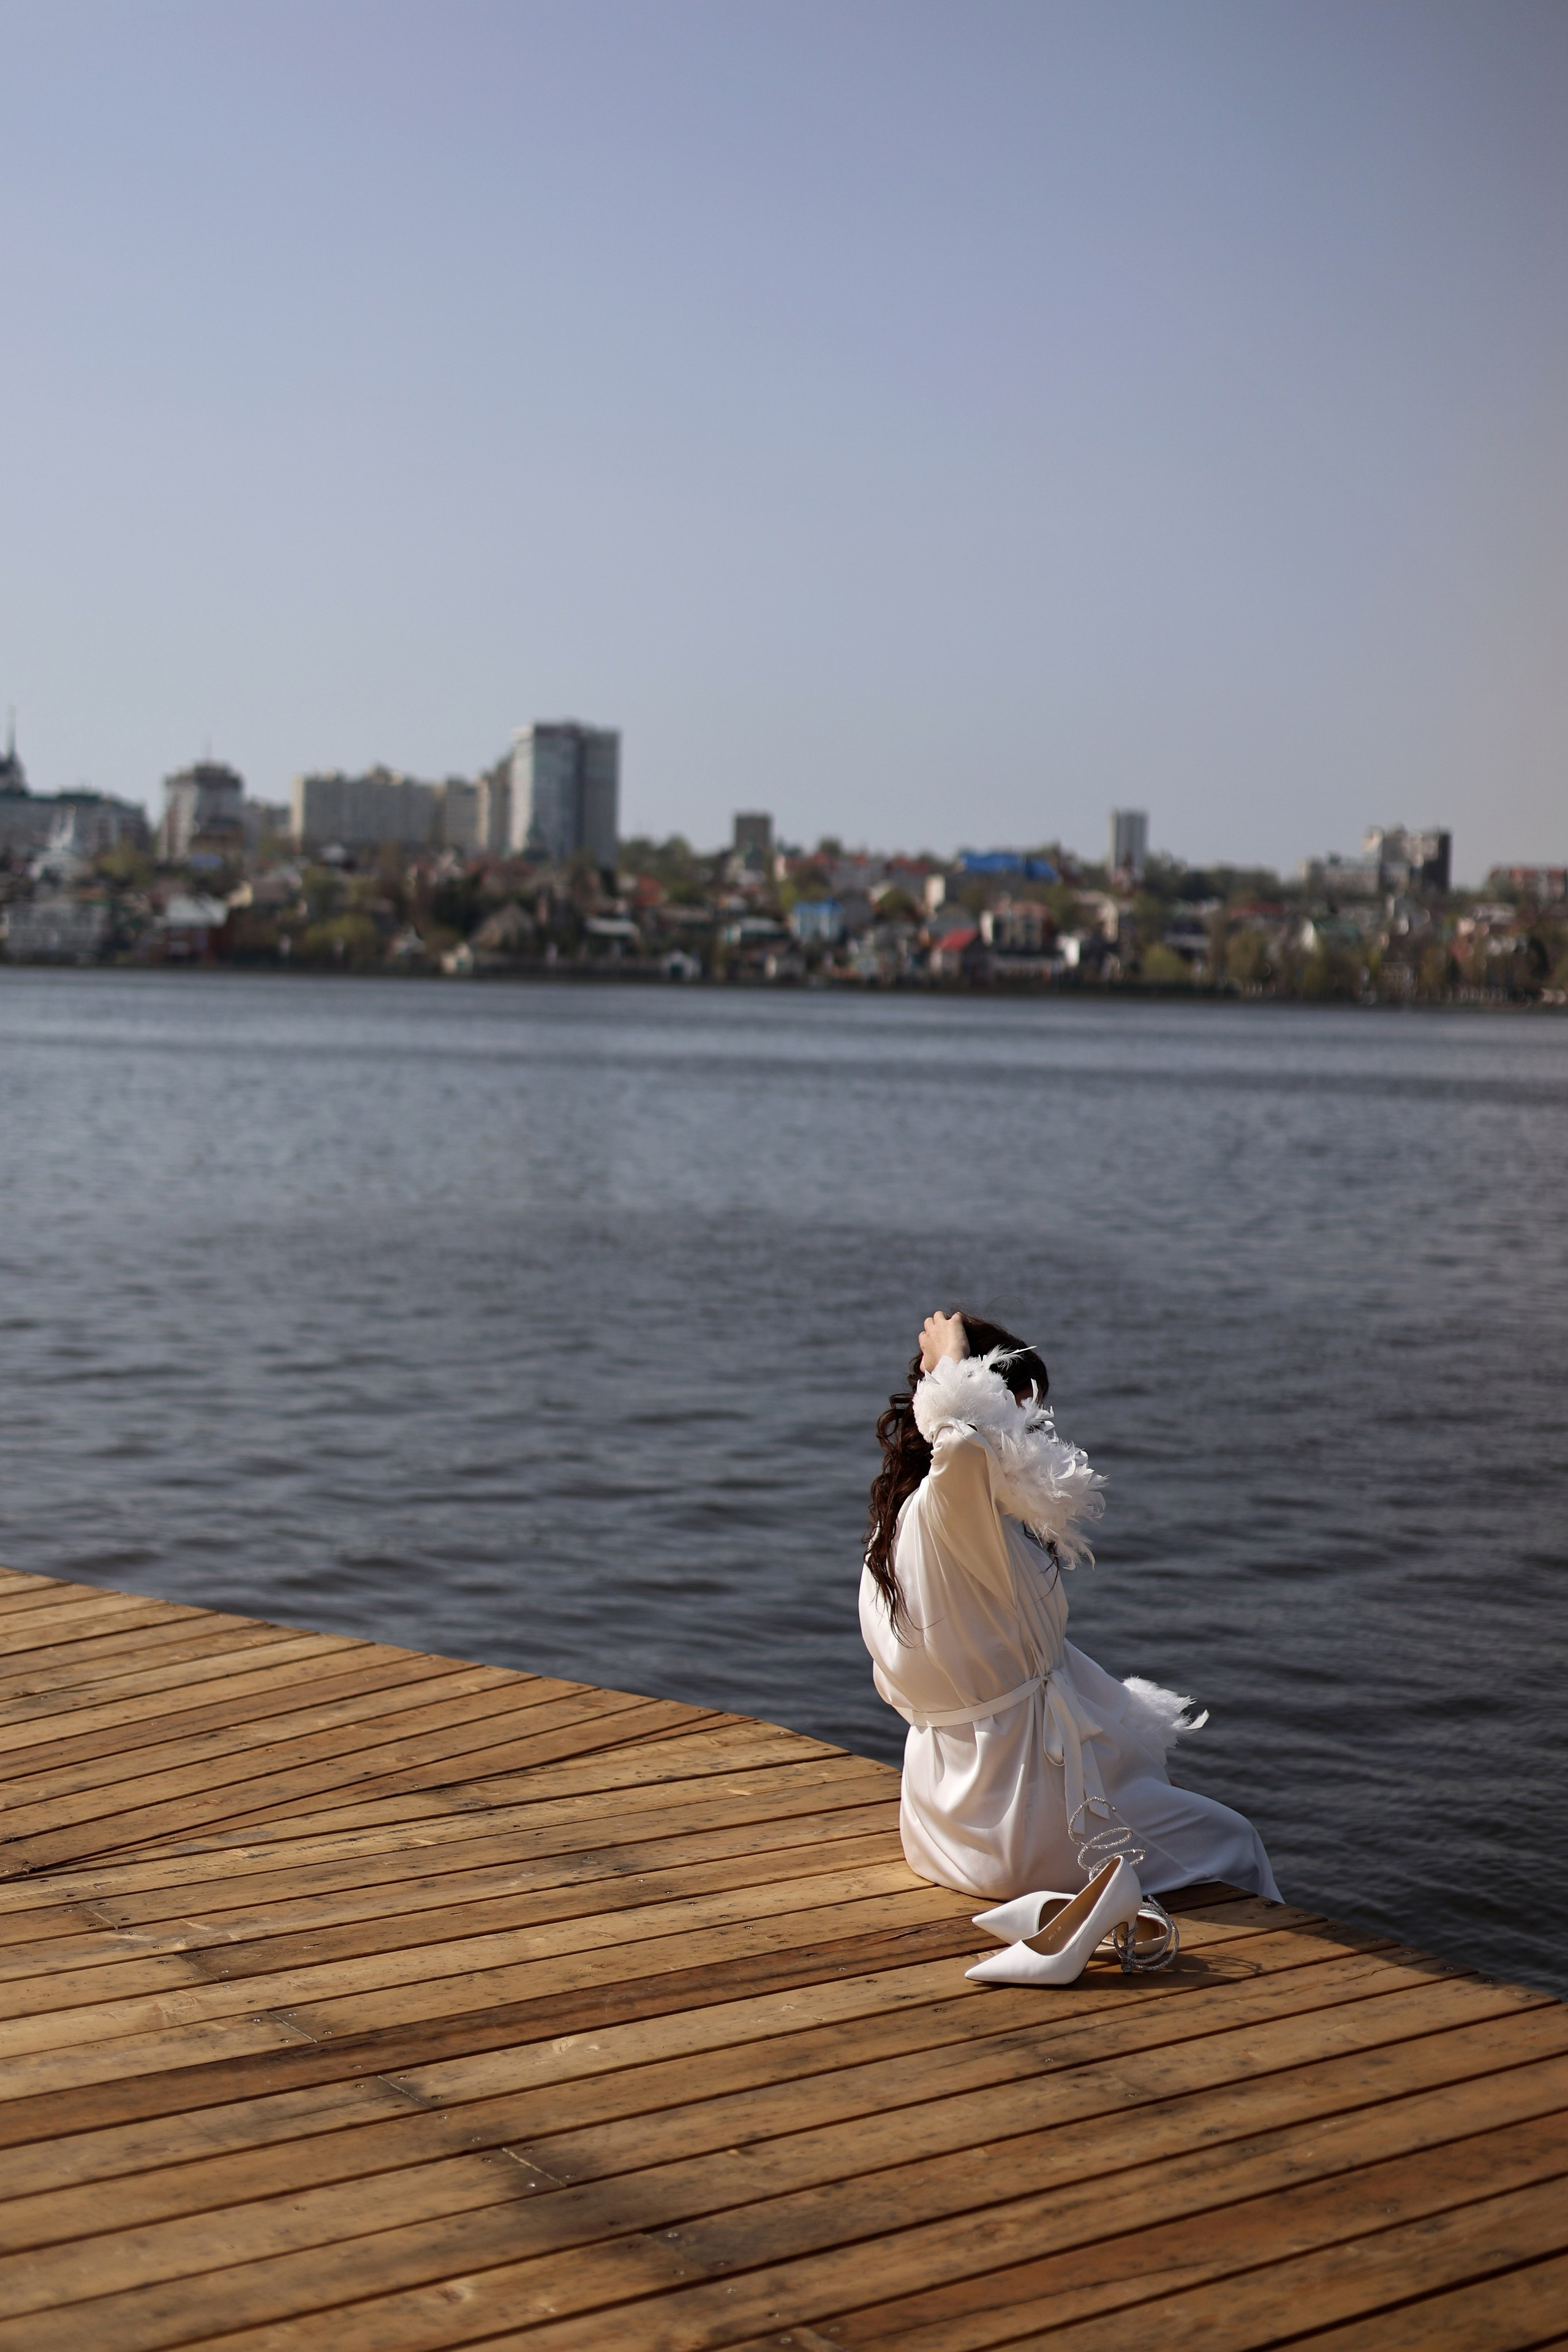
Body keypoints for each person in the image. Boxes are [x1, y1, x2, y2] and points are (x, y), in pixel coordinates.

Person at [861, 1308, 1280, 1907]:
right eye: (1017, 1410)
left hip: (942, 1824)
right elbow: (962, 1449)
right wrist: (946, 1363)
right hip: (1023, 1824)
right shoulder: (943, 1515)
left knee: (1177, 1809)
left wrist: (1133, 1766)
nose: (1033, 1429)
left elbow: (1041, 1668)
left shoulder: (896, 1532)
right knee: (1234, 1841)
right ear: (977, 1406)